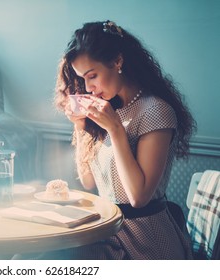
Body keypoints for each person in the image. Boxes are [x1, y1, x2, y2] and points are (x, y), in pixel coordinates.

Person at [51, 20, 196, 259]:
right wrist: (79, 127)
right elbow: (88, 181)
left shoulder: (155, 111)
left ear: (117, 62)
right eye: (83, 79)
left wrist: (116, 130)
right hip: (108, 230)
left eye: (93, 76)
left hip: (146, 239)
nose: (89, 88)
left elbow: (138, 197)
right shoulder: (110, 111)